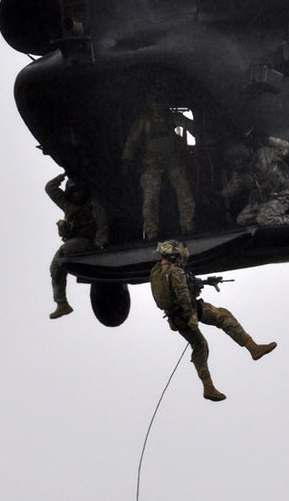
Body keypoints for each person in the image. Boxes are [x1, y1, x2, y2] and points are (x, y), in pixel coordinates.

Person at [149, 240, 275, 402]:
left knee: (200, 346)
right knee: (223, 316)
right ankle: (253, 348)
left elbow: (170, 292)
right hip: (189, 311)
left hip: (175, 319)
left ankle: (208, 387)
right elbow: (183, 295)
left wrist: (204, 283)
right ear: (174, 255)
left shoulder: (156, 271)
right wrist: (192, 317)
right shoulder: (176, 272)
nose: (182, 259)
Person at [124, 98, 195, 239]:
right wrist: (126, 160)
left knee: (183, 188)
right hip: (151, 162)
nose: (158, 105)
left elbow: (193, 128)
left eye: (161, 100)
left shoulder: (173, 117)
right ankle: (151, 231)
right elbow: (131, 142)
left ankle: (187, 225)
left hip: (172, 160)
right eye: (155, 101)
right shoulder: (143, 121)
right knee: (151, 193)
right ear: (149, 103)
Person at [47, 172, 109, 319]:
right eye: (73, 191)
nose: (77, 194)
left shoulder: (93, 205)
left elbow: (102, 225)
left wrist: (100, 245)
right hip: (73, 243)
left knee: (65, 250)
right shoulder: (67, 205)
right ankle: (62, 303)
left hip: (88, 242)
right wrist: (64, 175)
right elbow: (50, 188)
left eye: (79, 190)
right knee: (55, 266)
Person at [221, 133, 289, 228]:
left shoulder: (264, 154)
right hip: (261, 201)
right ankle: (271, 214)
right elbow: (231, 191)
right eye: (233, 160)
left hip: (280, 194)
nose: (236, 163)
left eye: (238, 159)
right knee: (242, 220)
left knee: (264, 220)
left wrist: (268, 140)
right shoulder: (240, 173)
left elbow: (286, 148)